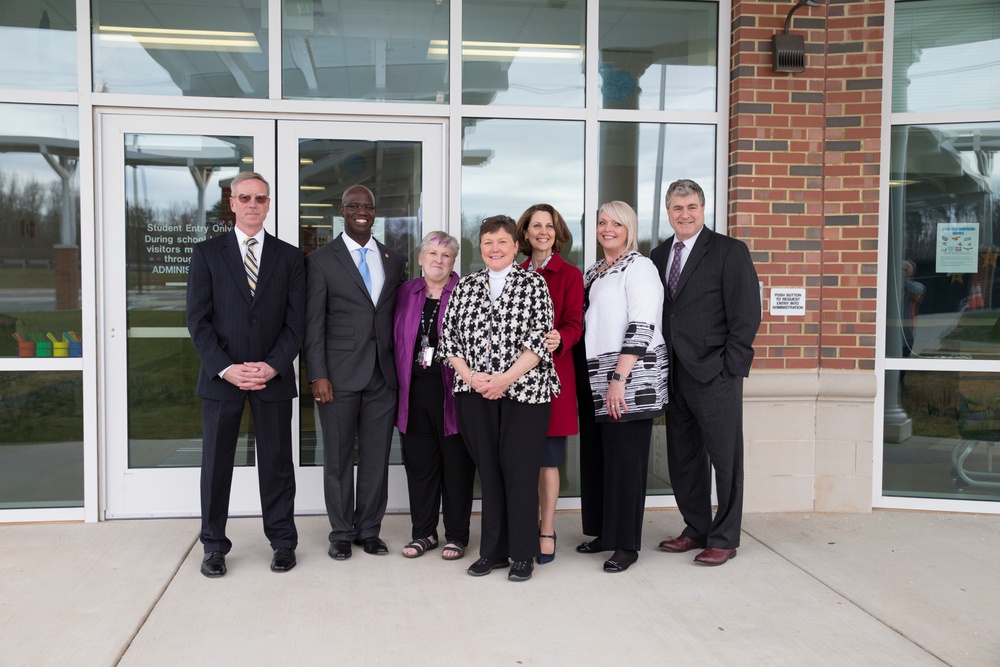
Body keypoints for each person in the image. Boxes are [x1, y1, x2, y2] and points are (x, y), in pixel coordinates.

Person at [186, 171, 304, 577]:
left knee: (276, 464)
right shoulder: (206, 254)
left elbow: (297, 323)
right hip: (223, 379)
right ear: (232, 203)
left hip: (272, 378)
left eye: (260, 198)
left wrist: (272, 365)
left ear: (268, 204)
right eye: (245, 197)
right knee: (216, 465)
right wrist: (226, 368)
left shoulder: (290, 257)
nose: (253, 204)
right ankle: (214, 546)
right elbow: (198, 322)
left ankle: (283, 542)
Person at [438, 215, 559, 582]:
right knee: (489, 474)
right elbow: (449, 341)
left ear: (516, 246)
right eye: (488, 241)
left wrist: (503, 380)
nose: (495, 248)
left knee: (520, 473)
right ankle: (492, 551)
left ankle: (522, 553)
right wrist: (473, 377)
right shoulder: (467, 287)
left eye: (502, 242)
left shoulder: (534, 284)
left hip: (526, 393)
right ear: (480, 246)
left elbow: (539, 341)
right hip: (475, 393)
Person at [650, 178, 761, 567]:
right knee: (684, 459)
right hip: (675, 375)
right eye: (677, 208)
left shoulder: (730, 251)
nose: (685, 214)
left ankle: (725, 536)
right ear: (668, 212)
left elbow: (747, 316)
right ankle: (696, 527)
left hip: (715, 374)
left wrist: (730, 368)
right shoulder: (659, 254)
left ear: (703, 209)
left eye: (692, 207)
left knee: (725, 460)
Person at [304, 184, 406, 561]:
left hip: (383, 376)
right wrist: (318, 374)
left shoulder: (392, 258)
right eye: (353, 206)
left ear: (374, 213)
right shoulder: (320, 260)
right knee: (338, 459)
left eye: (367, 207)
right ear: (342, 211)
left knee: (377, 458)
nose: (361, 211)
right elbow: (312, 323)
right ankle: (341, 532)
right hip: (338, 377)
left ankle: (369, 530)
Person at [574, 201, 668, 574]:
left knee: (626, 462)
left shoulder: (640, 267)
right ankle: (604, 533)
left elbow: (643, 324)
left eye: (616, 223)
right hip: (594, 376)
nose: (607, 229)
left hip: (628, 378)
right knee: (599, 458)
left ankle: (626, 545)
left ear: (629, 228)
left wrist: (619, 378)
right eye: (601, 222)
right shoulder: (595, 270)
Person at [393, 231, 475, 560]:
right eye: (432, 254)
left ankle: (456, 535)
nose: (438, 260)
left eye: (445, 255)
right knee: (420, 466)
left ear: (453, 262)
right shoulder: (405, 292)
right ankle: (424, 533)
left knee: (456, 467)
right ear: (421, 258)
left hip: (454, 392)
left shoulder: (467, 292)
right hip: (413, 390)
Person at [515, 204, 583, 565]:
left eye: (550, 226)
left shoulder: (569, 274)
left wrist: (561, 337)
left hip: (554, 378)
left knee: (547, 462)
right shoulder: (513, 272)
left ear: (558, 233)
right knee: (520, 459)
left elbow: (575, 322)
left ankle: (547, 528)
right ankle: (523, 526)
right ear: (524, 233)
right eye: (536, 225)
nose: (543, 231)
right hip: (516, 380)